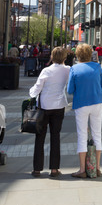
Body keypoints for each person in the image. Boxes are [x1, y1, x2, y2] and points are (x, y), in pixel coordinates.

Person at [67, 43, 102, 178]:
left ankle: (82, 169)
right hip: (97, 102)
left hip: (81, 104)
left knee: (82, 134)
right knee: (97, 134)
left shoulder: (74, 69)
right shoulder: (97, 67)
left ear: (77, 55)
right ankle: (97, 168)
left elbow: (70, 90)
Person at [29, 46, 69, 177]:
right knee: (55, 136)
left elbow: (37, 88)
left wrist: (31, 94)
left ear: (52, 57)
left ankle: (37, 169)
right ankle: (54, 169)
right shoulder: (68, 70)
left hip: (44, 106)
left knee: (40, 137)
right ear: (64, 57)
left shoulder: (46, 70)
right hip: (59, 106)